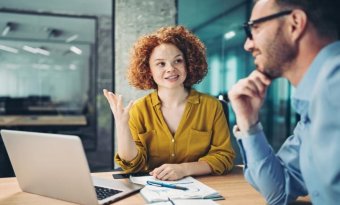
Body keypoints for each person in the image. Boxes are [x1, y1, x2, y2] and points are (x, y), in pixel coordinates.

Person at [228, 0, 340, 204]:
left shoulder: (334, 85)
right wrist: (248, 123)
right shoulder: (315, 102)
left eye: (255, 28)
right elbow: (279, 190)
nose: (248, 44)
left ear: (295, 24)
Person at [104, 26, 235, 181]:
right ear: (148, 70)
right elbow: (131, 165)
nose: (171, 69)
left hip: (205, 188)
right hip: (154, 190)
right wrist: (121, 125)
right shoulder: (138, 110)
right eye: (161, 64)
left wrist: (184, 169)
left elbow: (224, 157)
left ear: (189, 64)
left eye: (178, 61)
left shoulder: (212, 106)